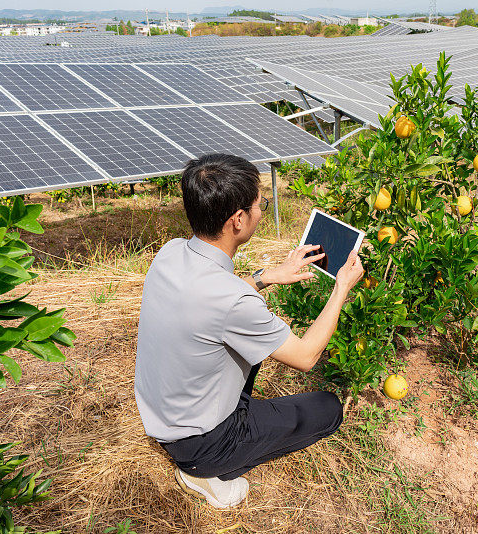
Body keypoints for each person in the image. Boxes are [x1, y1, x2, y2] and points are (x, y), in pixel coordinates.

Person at [134, 153, 365, 509]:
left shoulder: (171, 252)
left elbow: (208, 305)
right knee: (328, 408)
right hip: (199, 444)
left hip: (163, 414)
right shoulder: (233, 300)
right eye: (261, 205)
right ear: (237, 220)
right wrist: (341, 289)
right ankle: (202, 473)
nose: (262, 211)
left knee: (250, 347)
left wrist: (265, 277)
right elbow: (305, 357)